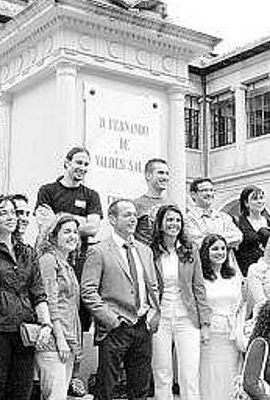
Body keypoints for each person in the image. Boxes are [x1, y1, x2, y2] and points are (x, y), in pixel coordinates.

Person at [80, 199, 160, 400]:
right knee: (106, 389)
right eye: (127, 215)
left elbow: (153, 286)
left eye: (134, 215)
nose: (133, 219)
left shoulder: (145, 250)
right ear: (112, 219)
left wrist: (153, 313)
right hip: (115, 329)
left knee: (141, 389)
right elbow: (88, 291)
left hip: (142, 327)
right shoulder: (98, 251)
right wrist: (111, 320)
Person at [0, 194, 52, 400]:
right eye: (3, 213)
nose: (11, 217)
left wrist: (46, 324)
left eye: (13, 212)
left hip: (25, 330)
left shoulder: (27, 252)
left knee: (21, 392)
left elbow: (38, 292)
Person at [35, 146, 102, 336]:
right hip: (52, 259)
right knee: (53, 303)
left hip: (80, 262)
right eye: (79, 162)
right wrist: (81, 220)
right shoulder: (47, 191)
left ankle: (75, 361)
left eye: (86, 164)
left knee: (79, 313)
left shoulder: (91, 195)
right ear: (67, 162)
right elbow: (44, 225)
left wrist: (60, 217)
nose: (83, 167)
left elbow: (93, 228)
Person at [150, 204, 210, 400]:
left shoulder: (190, 249)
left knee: (189, 373)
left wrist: (205, 323)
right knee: (162, 372)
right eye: (169, 219)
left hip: (187, 318)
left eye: (177, 220)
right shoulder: (150, 251)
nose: (174, 224)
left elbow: (199, 287)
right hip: (160, 319)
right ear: (160, 223)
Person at [35, 215, 82, 400]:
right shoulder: (48, 260)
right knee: (54, 396)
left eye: (75, 232)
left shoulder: (67, 264)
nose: (73, 236)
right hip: (54, 340)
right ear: (53, 236)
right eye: (67, 231)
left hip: (68, 339)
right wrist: (60, 339)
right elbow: (49, 302)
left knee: (60, 395)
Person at [198, 234, 243, 400]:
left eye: (223, 248)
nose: (220, 252)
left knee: (230, 375)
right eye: (215, 248)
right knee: (209, 375)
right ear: (206, 252)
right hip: (209, 334)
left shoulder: (234, 277)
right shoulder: (200, 277)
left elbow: (241, 305)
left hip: (230, 335)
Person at [185, 177, 242, 248]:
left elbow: (238, 236)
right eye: (204, 190)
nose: (209, 193)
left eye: (211, 190)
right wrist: (224, 237)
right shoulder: (188, 218)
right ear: (193, 194)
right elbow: (198, 242)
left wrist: (209, 237)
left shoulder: (224, 217)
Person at [234, 186, 270, 276]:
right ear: (246, 203)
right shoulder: (238, 222)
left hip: (268, 270)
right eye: (255, 199)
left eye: (261, 198)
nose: (260, 201)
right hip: (246, 269)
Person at [132, 158, 170, 245]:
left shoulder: (172, 205)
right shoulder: (136, 205)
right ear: (148, 175)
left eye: (167, 174)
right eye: (160, 173)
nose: (165, 177)